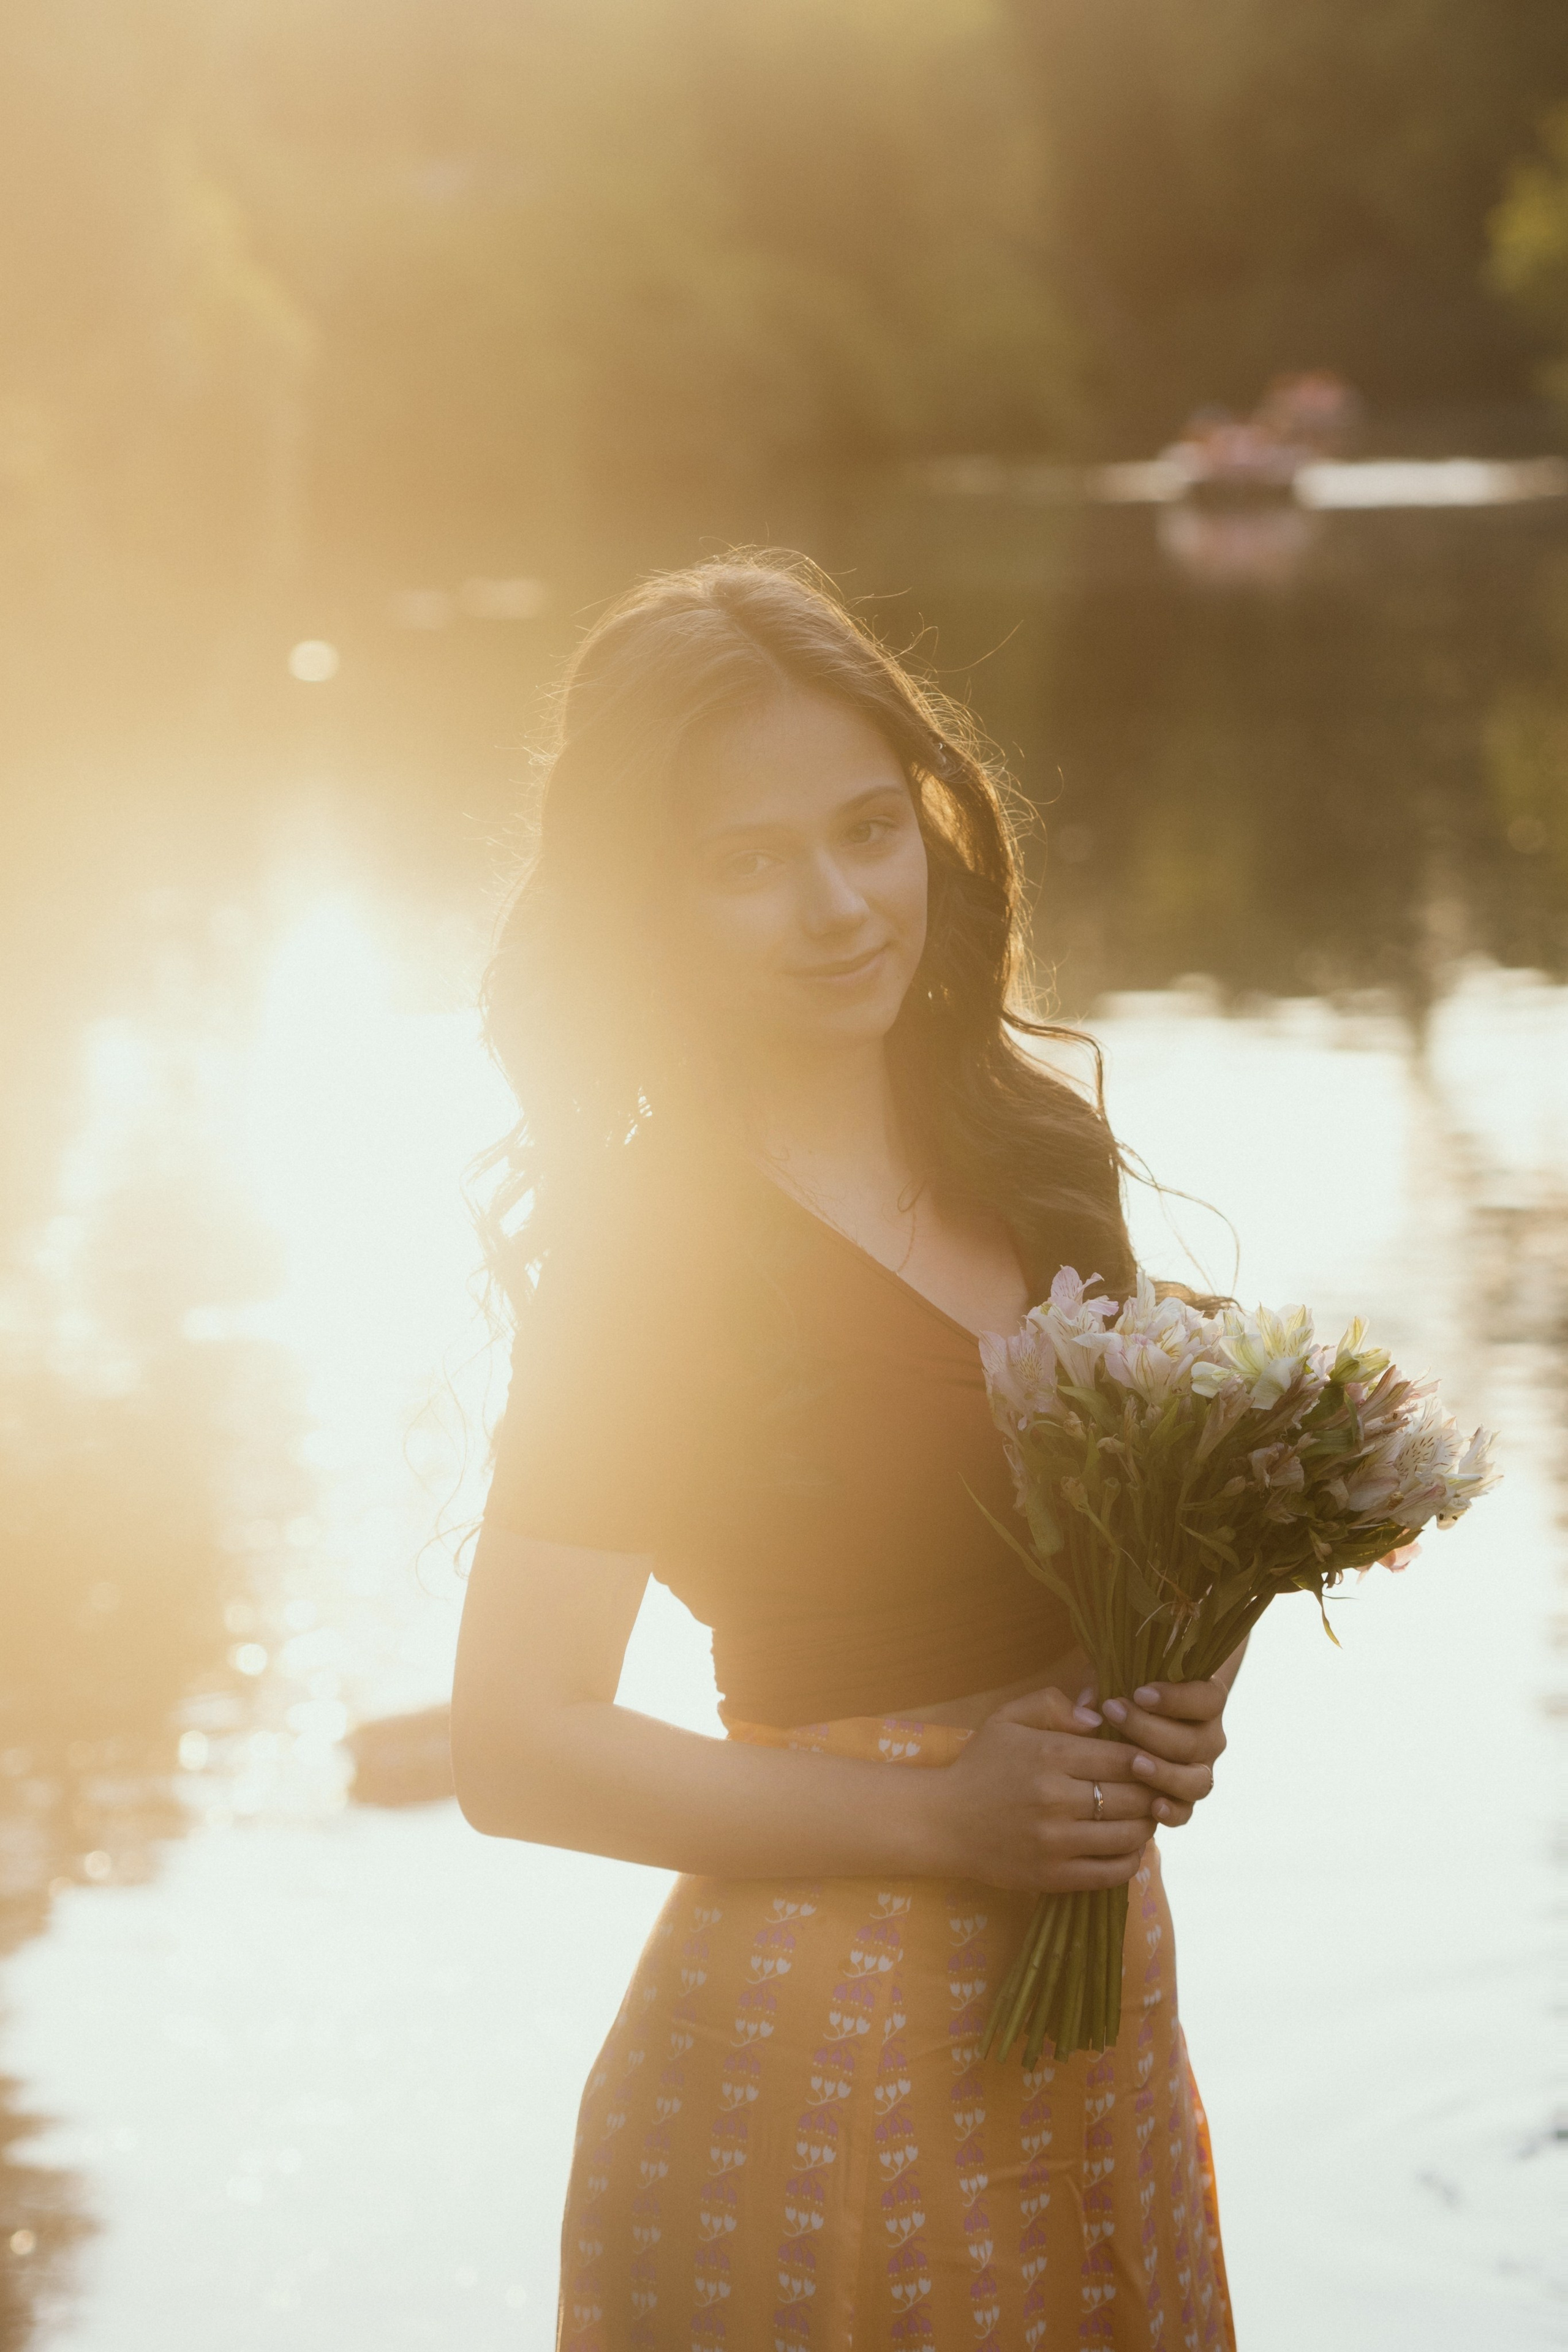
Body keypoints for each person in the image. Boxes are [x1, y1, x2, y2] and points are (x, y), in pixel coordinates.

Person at [451, 551, 1238, 2350]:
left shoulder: (1036, 1159)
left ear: (932, 829)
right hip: (813, 2058)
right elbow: (513, 1741)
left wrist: (1181, 1681)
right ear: (647, 907)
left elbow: (1114, 1566)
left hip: (1096, 1996)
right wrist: (938, 1813)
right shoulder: (653, 1252)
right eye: (747, 864)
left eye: (869, 830)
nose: (835, 905)